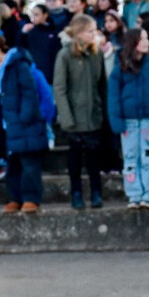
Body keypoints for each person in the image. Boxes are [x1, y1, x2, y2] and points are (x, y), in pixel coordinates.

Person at [0, 33, 47, 213]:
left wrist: (24, 118)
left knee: (29, 163)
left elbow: (30, 93)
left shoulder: (19, 66)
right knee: (12, 164)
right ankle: (15, 198)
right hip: (8, 125)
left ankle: (31, 198)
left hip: (23, 124)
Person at [108, 28, 149, 209]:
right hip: (128, 122)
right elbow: (113, 95)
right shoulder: (120, 66)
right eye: (142, 39)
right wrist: (117, 120)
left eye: (147, 38)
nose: (146, 42)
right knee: (130, 158)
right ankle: (134, 194)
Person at [53, 14, 107, 209]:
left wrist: (103, 111)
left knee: (94, 157)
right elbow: (60, 88)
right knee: (74, 157)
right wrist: (66, 117)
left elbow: (102, 85)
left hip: (93, 114)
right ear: (79, 33)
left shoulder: (96, 54)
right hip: (73, 116)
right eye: (90, 31)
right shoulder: (65, 55)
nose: (94, 34)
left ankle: (96, 192)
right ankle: (76, 192)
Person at [21, 3, 62, 84]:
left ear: (45, 15)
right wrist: (23, 33)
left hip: (52, 75)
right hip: (35, 74)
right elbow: (21, 48)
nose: (34, 18)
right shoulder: (30, 32)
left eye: (36, 15)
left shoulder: (55, 31)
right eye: (32, 15)